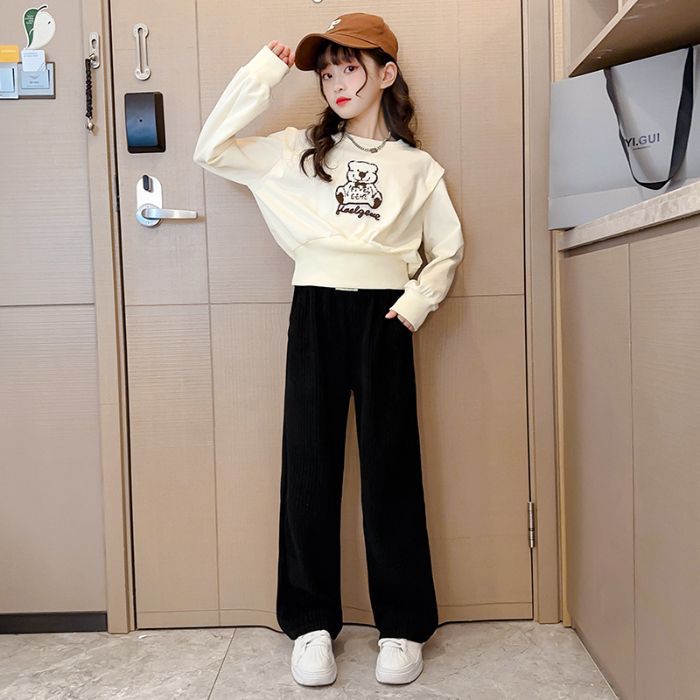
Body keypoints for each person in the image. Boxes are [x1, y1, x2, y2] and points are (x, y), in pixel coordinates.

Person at [193, 11, 464, 688]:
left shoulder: (418, 169)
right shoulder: (296, 152)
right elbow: (211, 149)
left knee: (390, 466)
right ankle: (310, 624)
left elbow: (447, 250)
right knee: (309, 464)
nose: (337, 83)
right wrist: (263, 72)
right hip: (315, 307)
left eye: (351, 68)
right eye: (327, 72)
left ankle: (402, 626)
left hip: (385, 316)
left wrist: (414, 306)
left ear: (386, 74)